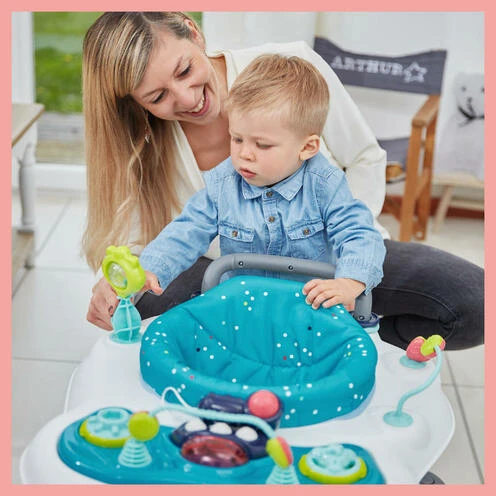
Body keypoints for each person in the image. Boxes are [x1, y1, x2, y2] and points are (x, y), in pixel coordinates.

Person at [82, 12, 483, 350]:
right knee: (141, 308)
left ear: (194, 31)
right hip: (234, 277)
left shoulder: (314, 147)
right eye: (157, 97)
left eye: (185, 70)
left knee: (476, 302)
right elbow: (183, 230)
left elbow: (359, 205)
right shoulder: (214, 178)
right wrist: (132, 274)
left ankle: (352, 341)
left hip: (329, 264)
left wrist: (350, 277)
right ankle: (252, 347)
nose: (187, 99)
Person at [138, 54, 386, 310]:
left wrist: (349, 282)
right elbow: (187, 231)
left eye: (262, 145)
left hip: (308, 311)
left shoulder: (325, 185)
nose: (244, 154)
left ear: (307, 147)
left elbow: (358, 233)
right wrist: (151, 267)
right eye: (237, 139)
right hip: (242, 309)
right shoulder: (223, 185)